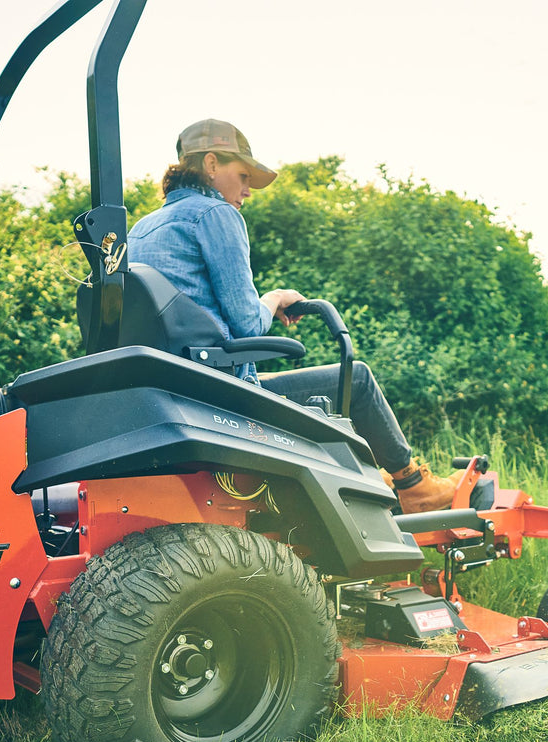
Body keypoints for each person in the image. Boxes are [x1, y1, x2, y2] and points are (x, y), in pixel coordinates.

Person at [127, 118, 462, 514]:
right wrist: (277, 296)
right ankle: (413, 486)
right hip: (224, 395)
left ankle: (378, 478)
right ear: (212, 164)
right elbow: (248, 324)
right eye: (244, 175)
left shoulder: (141, 229)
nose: (248, 191)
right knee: (356, 379)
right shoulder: (216, 215)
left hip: (176, 389)